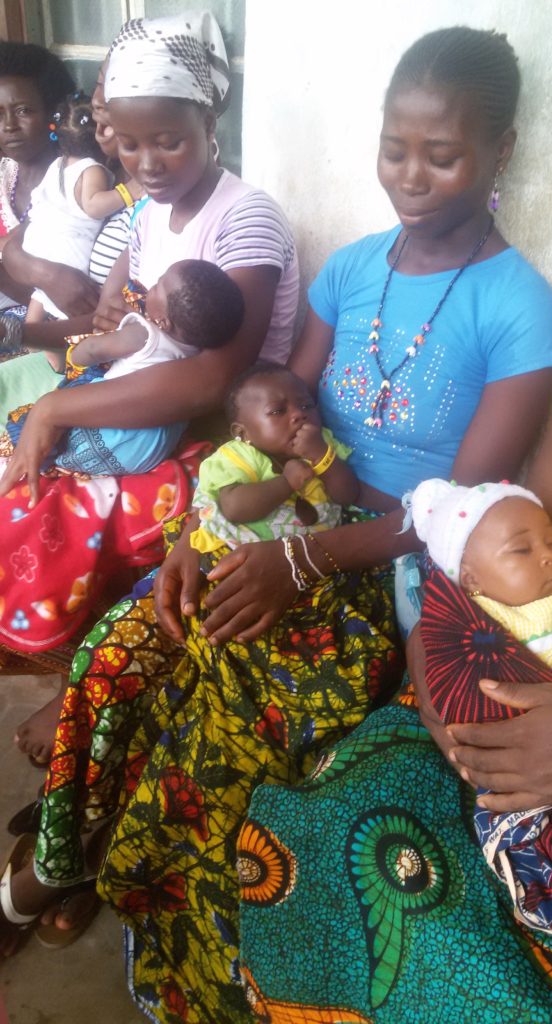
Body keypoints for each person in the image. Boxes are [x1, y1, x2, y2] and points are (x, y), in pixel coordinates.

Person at [3, 22, 552, 1023]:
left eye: (443, 154)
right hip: (280, 521)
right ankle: (62, 850)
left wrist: (300, 562)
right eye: (396, 148)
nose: (412, 176)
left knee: (224, 688)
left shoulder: (521, 311)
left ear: (499, 152)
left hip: (383, 557)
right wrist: (196, 535)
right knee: (128, 640)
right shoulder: (352, 269)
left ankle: (110, 881)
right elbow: (271, 409)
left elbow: (462, 515)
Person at [0, 2, 297, 822]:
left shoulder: (246, 218)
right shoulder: (142, 211)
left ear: (211, 119)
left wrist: (63, 404)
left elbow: (212, 379)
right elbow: (115, 300)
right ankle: (77, 709)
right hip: (146, 396)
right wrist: (97, 328)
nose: (148, 161)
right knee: (20, 444)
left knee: (34, 501)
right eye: (127, 144)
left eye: (169, 139)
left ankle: (82, 718)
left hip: (214, 436)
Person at [411, 477, 552, 934]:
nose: (550, 555)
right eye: (523, 551)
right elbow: (438, 634)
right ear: (471, 581)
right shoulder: (481, 613)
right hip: (514, 768)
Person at [1, 260, 245, 476]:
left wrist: (78, 355)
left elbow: (97, 348)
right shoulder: (195, 352)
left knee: (41, 427)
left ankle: (27, 461)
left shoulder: (144, 332)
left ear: (162, 321)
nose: (152, 286)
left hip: (114, 430)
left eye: (158, 285)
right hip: (150, 448)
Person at [0, 58, 137, 422]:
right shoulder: (13, 172)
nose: (9, 126)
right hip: (40, 319)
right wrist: (43, 274)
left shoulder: (98, 174)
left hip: (74, 330)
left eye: (24, 110)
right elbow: (12, 248)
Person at [190, 363, 361, 554]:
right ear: (243, 433)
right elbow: (234, 508)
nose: (298, 414)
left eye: (306, 405)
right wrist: (287, 482)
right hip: (233, 551)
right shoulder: (238, 457)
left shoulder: (323, 443)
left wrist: (321, 455)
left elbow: (348, 495)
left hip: (312, 558)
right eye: (277, 411)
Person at [20, 91, 139, 336]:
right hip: (69, 249)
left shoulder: (59, 163)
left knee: (42, 296)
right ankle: (57, 347)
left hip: (38, 240)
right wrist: (128, 192)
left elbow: (39, 196)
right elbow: (93, 206)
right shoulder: (92, 169)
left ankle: (31, 334)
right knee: (76, 303)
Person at [0, 41, 76, 409]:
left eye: (24, 110)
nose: (9, 126)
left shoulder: (76, 180)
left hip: (54, 331)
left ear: (54, 114)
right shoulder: (4, 175)